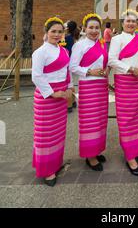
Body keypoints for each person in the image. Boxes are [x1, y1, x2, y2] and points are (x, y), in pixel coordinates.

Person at [108, 9, 138, 176]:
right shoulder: (116, 39)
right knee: (126, 118)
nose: (131, 24)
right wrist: (130, 68)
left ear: (137, 24)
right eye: (128, 21)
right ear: (123, 23)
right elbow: (112, 60)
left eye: (134, 21)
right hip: (126, 82)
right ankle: (129, 156)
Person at [32, 16, 73, 186]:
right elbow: (36, 76)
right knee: (45, 135)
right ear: (46, 33)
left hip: (61, 96)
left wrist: (70, 87)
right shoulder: (40, 52)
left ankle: (55, 163)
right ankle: (46, 170)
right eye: (53, 31)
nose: (56, 34)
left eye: (59, 32)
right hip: (46, 98)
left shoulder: (63, 51)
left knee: (58, 133)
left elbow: (67, 71)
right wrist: (52, 93)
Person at [70, 13, 109, 171]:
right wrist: (89, 72)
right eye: (91, 27)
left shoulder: (101, 43)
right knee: (90, 122)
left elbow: (103, 63)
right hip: (88, 87)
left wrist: (106, 70)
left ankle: (97, 150)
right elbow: (73, 67)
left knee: (100, 120)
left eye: (96, 28)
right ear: (84, 28)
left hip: (101, 87)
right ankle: (90, 156)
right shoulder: (80, 45)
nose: (94, 30)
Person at [64, 20, 80, 113]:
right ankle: (73, 102)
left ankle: (69, 105)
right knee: (71, 82)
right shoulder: (73, 36)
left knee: (68, 84)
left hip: (67, 61)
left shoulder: (67, 38)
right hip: (71, 61)